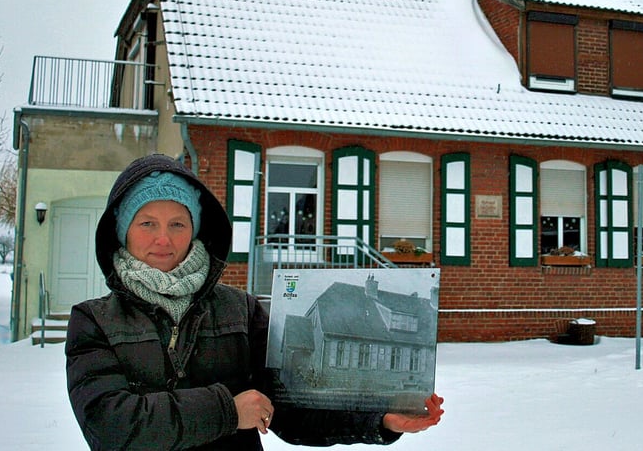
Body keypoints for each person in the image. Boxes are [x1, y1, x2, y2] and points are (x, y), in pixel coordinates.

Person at [66, 154, 443, 450]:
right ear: (122, 232)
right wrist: (228, 412)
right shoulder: (95, 322)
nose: (163, 239)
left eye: (177, 224)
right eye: (146, 223)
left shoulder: (240, 312)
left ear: (195, 230)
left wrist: (379, 420)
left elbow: (292, 410)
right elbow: (112, 425)